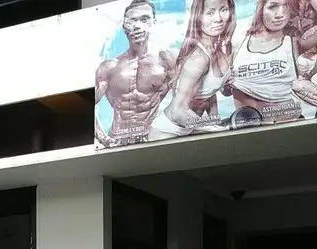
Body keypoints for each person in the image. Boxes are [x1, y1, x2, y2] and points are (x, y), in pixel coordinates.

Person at [95, 0, 179, 146]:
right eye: (132, 21)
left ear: (154, 22)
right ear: (124, 27)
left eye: (144, 19)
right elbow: (87, 107)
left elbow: (186, 100)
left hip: (152, 139)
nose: (138, 26)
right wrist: (104, 139)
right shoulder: (109, 67)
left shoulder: (167, 60)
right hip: (117, 141)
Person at [149, 0, 237, 139]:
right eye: (210, 12)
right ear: (198, 17)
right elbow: (178, 111)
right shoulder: (199, 59)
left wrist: (216, 121)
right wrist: (215, 129)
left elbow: (210, 93)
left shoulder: (220, 51)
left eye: (223, 10)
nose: (218, 18)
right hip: (167, 131)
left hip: (190, 129)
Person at [229, 0, 316, 120]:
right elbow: (223, 89)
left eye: (286, 6)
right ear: (261, 10)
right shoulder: (238, 42)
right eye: (273, 6)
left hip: (290, 125)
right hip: (247, 126)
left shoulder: (294, 42)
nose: (280, 14)